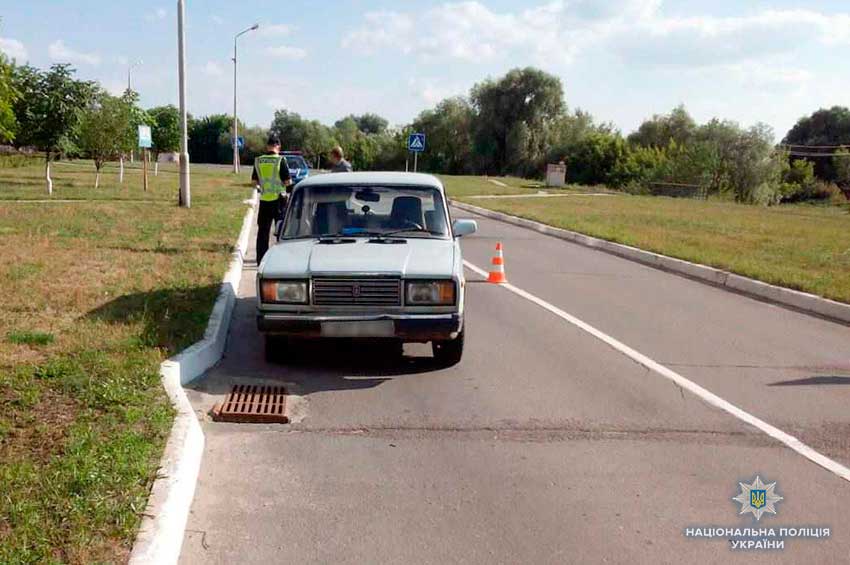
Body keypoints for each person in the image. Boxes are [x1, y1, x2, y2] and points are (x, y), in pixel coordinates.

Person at [253, 135, 292, 264]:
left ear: (267, 146)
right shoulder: (280, 160)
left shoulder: (259, 160)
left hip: (264, 201)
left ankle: (261, 260)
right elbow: (287, 182)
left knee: (263, 233)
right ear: (278, 146)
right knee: (281, 231)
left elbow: (254, 182)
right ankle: (280, 260)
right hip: (279, 201)